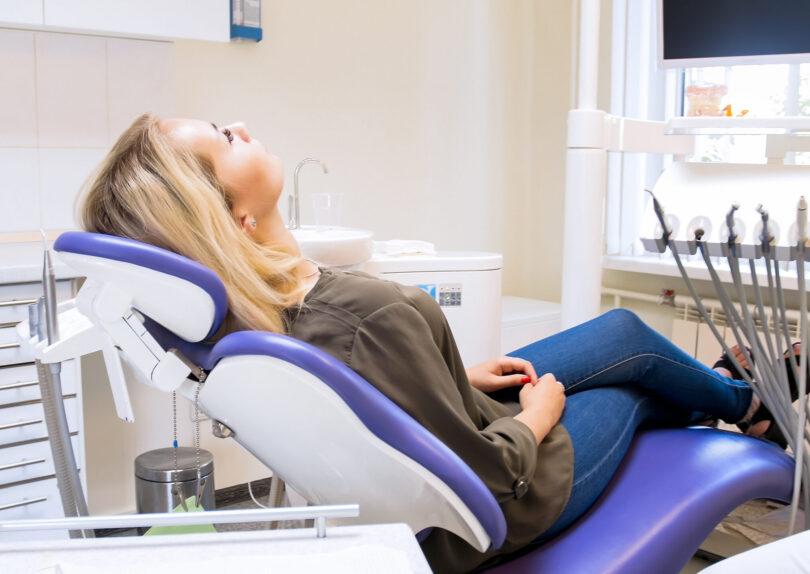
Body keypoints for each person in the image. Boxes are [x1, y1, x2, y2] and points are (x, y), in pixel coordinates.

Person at [79, 114, 782, 573]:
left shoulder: (258, 319)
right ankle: (747, 405)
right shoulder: (353, 316)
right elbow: (487, 480)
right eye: (222, 140)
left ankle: (735, 397)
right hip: (499, 506)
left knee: (625, 333)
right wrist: (538, 418)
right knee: (631, 382)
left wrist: (452, 377)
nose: (237, 125)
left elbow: (360, 404)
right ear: (234, 219)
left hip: (453, 432)